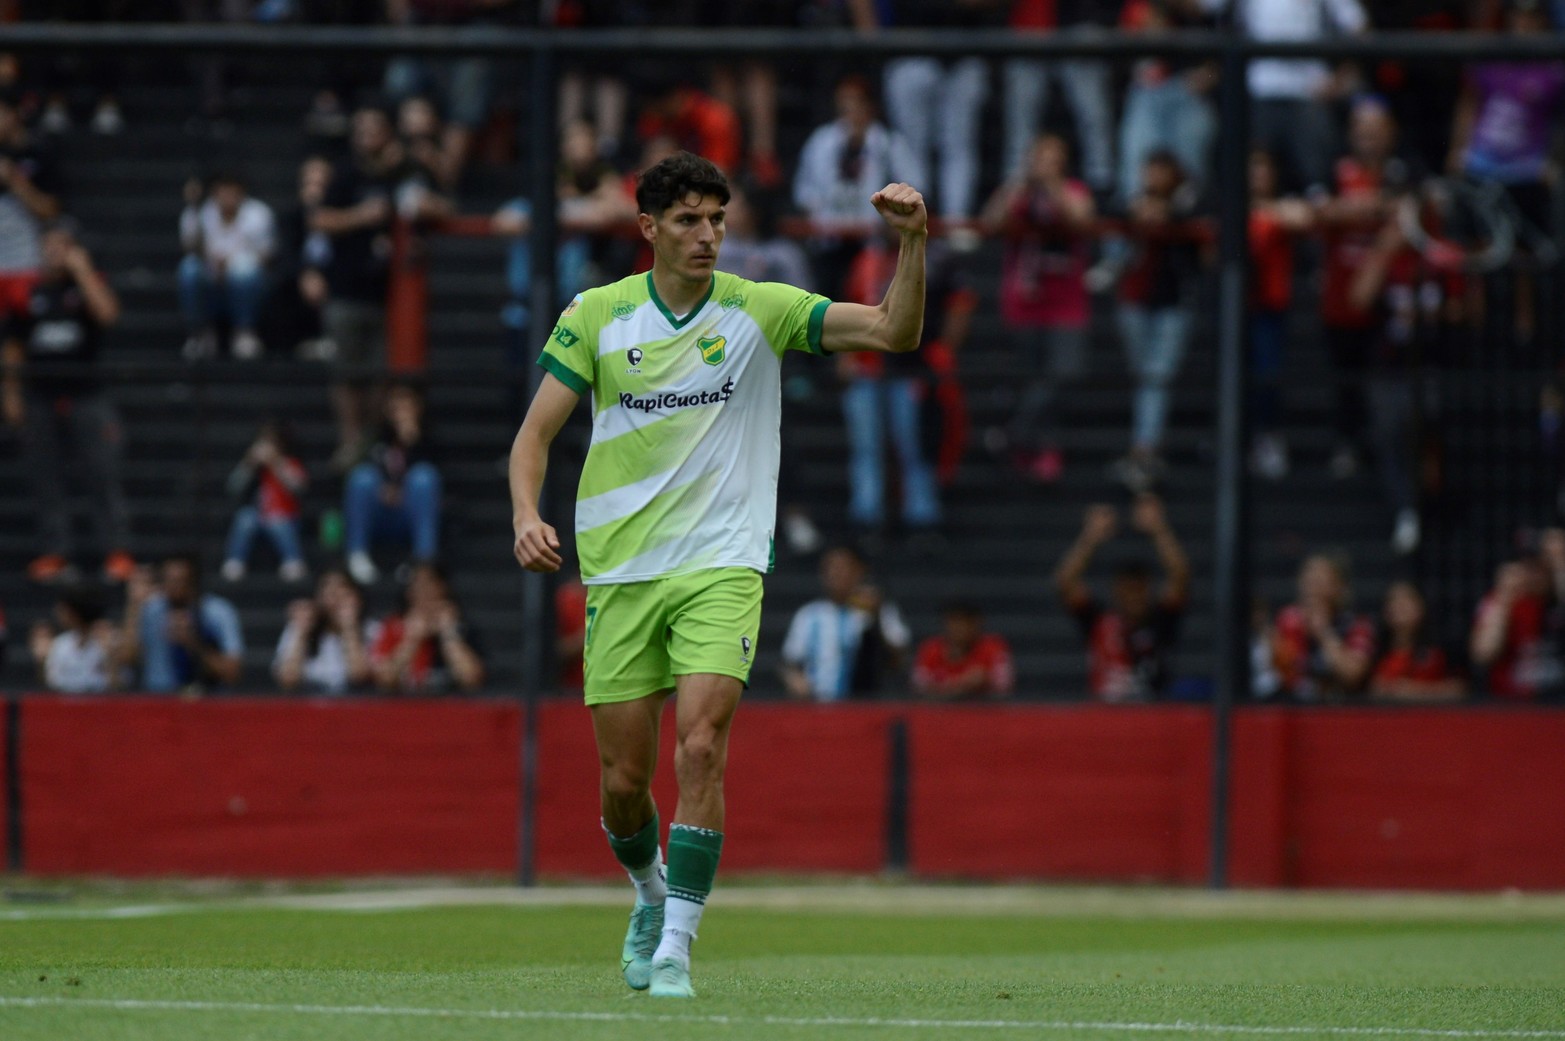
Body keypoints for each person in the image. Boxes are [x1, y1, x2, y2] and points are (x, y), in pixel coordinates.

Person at [509, 152, 927, 998]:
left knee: (701, 745)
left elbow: (892, 330)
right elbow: (531, 438)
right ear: (649, 229)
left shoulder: (756, 308)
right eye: (690, 221)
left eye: (717, 220)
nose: (708, 236)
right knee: (624, 785)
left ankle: (676, 950)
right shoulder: (596, 315)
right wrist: (526, 513)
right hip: (622, 571)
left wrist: (912, 241)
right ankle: (648, 892)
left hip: (721, 563)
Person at [1, 219, 134, 585]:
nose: (55, 253)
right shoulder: (29, 292)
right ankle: (56, 552)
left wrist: (83, 271)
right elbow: (13, 344)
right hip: (40, 396)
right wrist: (11, 393)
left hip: (87, 394)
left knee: (102, 473)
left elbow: (108, 314)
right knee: (46, 477)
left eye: (63, 246)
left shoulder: (87, 284)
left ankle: (116, 550)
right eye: (49, 246)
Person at [981, 132, 1095, 482]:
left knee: (1064, 374)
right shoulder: (1019, 193)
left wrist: (1053, 186)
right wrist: (1020, 186)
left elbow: (1082, 221)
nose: (1044, 164)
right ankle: (1043, 449)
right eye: (1039, 157)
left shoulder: (1073, 190)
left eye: (1052, 157)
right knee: (1031, 378)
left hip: (1066, 304)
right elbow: (989, 223)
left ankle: (1014, 434)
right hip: (1025, 301)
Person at [1112, 150, 1208, 491]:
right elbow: (1108, 215)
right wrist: (1137, 214)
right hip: (1134, 300)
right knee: (1146, 378)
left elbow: (1203, 227)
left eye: (1160, 170)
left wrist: (1169, 217)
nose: (1153, 177)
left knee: (1156, 376)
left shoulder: (1190, 200)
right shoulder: (1132, 201)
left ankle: (1143, 451)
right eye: (1149, 170)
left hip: (1174, 303)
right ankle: (1149, 445)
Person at [1054, 494, 1190, 702]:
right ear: (1115, 592)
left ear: (1149, 589)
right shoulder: (1098, 621)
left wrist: (1159, 529)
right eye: (1126, 590)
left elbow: (1180, 575)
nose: (1133, 597)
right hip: (1105, 716)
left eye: (1139, 589)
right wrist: (1089, 538)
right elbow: (1066, 582)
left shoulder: (1160, 619)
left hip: (1155, 716)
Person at [1247, 148, 1314, 480]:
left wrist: (1267, 212)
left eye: (1262, 167)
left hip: (1271, 305)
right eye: (1251, 168)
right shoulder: (1233, 210)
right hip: (1238, 306)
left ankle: (1268, 437)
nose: (1256, 175)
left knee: (1268, 374)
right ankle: (1241, 438)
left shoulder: (1283, 207)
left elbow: (1304, 217)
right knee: (1238, 375)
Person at [780, 544, 914, 702]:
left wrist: (876, 619)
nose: (835, 573)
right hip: (818, 707)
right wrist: (795, 681)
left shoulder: (878, 609)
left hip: (865, 706)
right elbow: (789, 663)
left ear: (859, 570)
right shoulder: (809, 615)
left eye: (842, 567)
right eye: (830, 567)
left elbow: (898, 660)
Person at [343, 380, 442, 585]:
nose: (401, 412)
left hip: (410, 513)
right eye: (396, 406)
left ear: (418, 407)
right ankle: (357, 554)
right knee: (361, 477)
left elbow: (436, 476)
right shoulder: (377, 436)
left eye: (406, 406)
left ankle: (423, 560)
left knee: (424, 477)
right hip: (380, 511)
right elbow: (354, 467)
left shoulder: (429, 438)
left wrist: (412, 439)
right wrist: (386, 486)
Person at [177, 171, 276, 361]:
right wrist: (194, 207)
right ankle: (199, 333)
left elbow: (267, 256)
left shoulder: (258, 214)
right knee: (189, 268)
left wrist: (231, 263)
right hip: (211, 281)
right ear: (214, 193)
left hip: (245, 285)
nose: (227, 196)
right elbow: (189, 248)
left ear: (241, 193)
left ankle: (244, 331)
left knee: (244, 269)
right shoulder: (200, 212)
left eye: (232, 191)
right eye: (223, 191)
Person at [116, 555, 244, 694]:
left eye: (180, 581)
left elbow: (233, 673)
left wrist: (192, 643)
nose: (173, 587)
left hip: (206, 698)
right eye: (168, 580)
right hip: (157, 698)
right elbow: (127, 659)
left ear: (193, 583)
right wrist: (134, 608)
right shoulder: (151, 610)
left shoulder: (218, 612)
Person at [1267, 552, 1375, 701]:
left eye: (1321, 577)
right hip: (1294, 707)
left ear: (1339, 586)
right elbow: (1278, 673)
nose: (1313, 583)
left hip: (1340, 710)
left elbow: (1352, 675)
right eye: (1309, 576)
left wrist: (1323, 632)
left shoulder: (1357, 624)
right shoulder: (1288, 620)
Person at [368, 561, 485, 693]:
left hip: (449, 708)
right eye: (417, 585)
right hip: (404, 707)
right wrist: (413, 639)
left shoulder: (462, 627)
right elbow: (384, 680)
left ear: (442, 587)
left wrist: (449, 634)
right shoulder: (392, 626)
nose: (423, 591)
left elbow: (471, 678)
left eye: (429, 584)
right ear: (408, 592)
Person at [0, 87, 62, 325]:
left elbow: (51, 210)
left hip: (29, 268)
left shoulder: (39, 151)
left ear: (13, 114)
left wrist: (14, 180)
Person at [220, 421, 309, 583]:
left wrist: (276, 463)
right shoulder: (254, 468)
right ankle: (235, 560)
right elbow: (233, 487)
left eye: (272, 442)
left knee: (277, 520)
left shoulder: (290, 463)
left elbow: (298, 487)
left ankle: (293, 559)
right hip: (259, 516)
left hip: (286, 517)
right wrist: (248, 464)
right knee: (245, 517)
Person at [1470, 556, 1557, 701]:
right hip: (1507, 702)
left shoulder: (1545, 604)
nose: (1519, 580)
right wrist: (1504, 603)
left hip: (1549, 698)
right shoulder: (1493, 603)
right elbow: (1484, 653)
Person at [273, 568, 372, 695]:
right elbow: (287, 679)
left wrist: (349, 628)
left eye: (341, 588)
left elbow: (359, 676)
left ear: (356, 596)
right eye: (327, 587)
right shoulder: (298, 626)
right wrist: (301, 633)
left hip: (354, 706)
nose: (334, 594)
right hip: (308, 706)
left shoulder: (370, 629)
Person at [1369, 580, 1465, 702]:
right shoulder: (1377, 651)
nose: (1399, 605)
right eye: (1393, 600)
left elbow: (1459, 689)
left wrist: (1417, 691)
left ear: (1421, 606)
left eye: (1407, 599)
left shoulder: (1440, 648)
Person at [911, 601, 1015, 700]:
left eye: (963, 622)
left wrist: (986, 680)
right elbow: (918, 685)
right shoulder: (931, 649)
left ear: (976, 624)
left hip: (981, 713)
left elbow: (1004, 686)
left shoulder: (993, 648)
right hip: (939, 712)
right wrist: (962, 684)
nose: (958, 628)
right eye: (953, 621)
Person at [29, 583, 116, 693]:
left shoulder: (108, 642)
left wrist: (112, 659)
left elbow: (117, 687)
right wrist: (41, 663)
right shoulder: (60, 645)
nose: (58, 613)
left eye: (63, 609)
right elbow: (51, 683)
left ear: (73, 612)